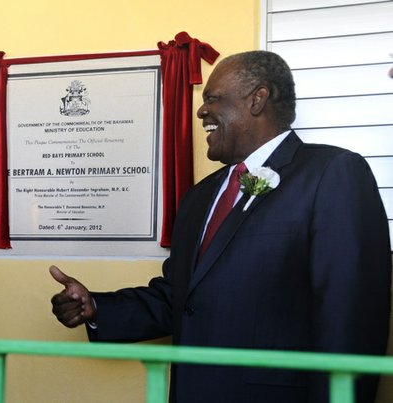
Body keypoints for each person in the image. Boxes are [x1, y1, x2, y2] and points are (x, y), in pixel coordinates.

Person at [50, 50, 390, 403]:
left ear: (257, 99)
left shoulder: (332, 173)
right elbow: (182, 299)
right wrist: (97, 308)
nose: (201, 111)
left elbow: (350, 321)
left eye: (212, 98)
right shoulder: (200, 197)